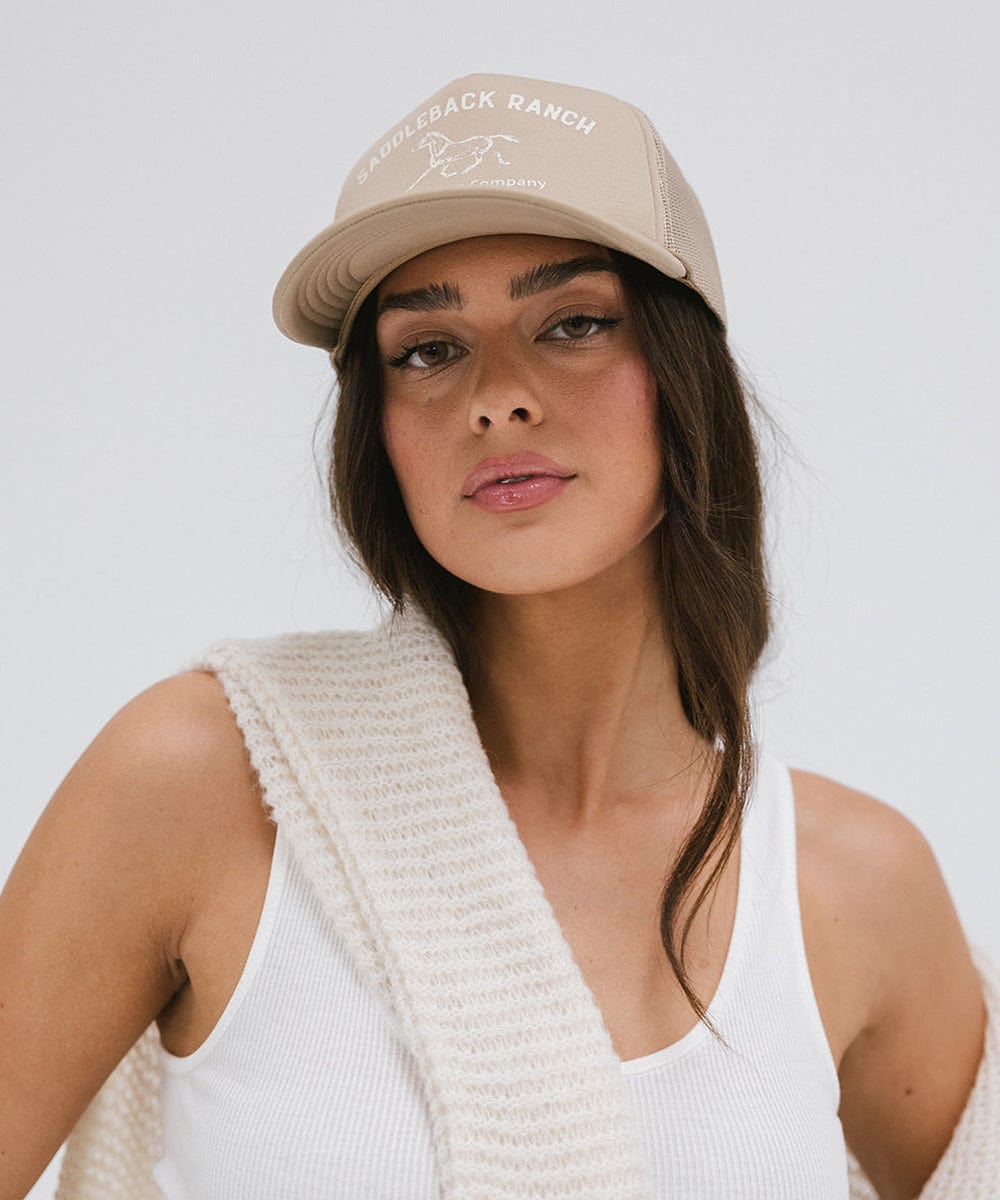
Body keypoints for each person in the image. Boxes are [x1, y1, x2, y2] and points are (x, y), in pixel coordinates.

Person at [1, 73, 996, 1200]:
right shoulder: (200, 783)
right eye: (425, 348)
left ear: (684, 380)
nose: (497, 396)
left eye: (572, 323)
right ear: (376, 431)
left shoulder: (851, 883)